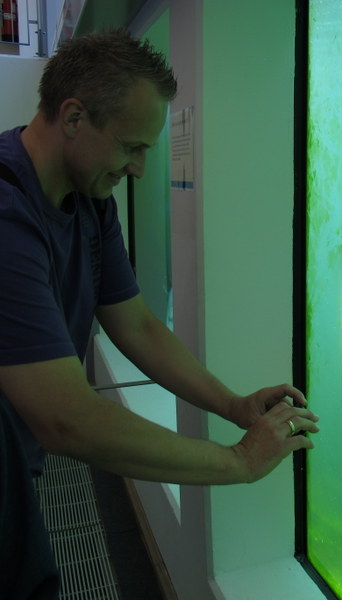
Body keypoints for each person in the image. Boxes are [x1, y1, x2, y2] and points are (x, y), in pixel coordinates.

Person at [0, 30, 319, 596]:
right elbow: (68, 418)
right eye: (131, 147)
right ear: (73, 118)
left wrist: (232, 405)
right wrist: (239, 463)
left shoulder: (90, 202)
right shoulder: (6, 215)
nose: (142, 169)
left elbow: (139, 324)